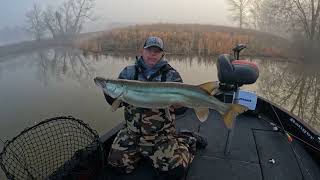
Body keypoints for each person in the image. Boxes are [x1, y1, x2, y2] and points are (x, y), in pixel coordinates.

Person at [104, 36, 206, 180]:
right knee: (116, 166)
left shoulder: (171, 75)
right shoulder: (128, 73)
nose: (152, 54)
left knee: (174, 174)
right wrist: (107, 91)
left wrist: (179, 105)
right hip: (131, 133)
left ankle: (187, 140)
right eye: (149, 50)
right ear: (142, 51)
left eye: (156, 51)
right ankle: (141, 152)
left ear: (162, 54)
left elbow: (181, 109)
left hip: (160, 136)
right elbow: (118, 103)